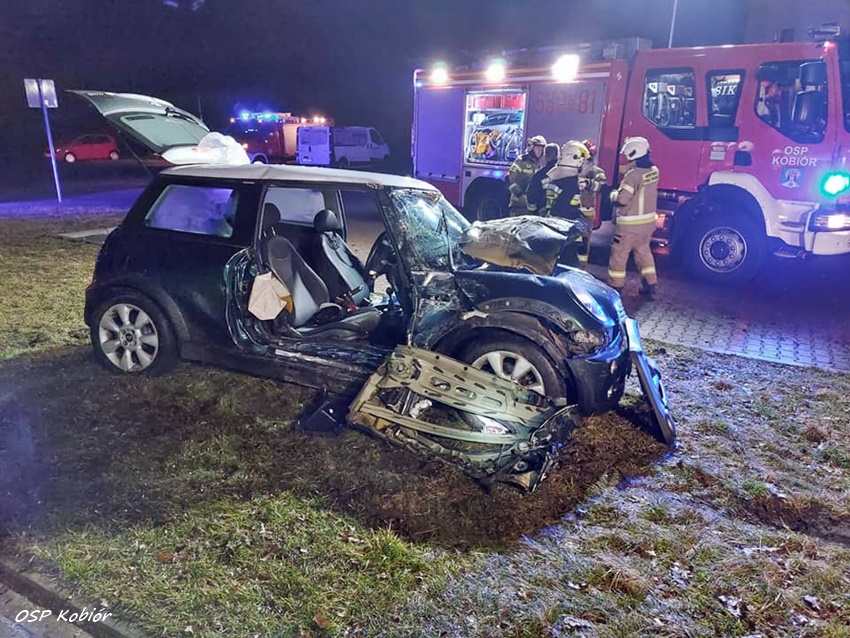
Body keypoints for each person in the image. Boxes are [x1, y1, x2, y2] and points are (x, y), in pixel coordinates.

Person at [607, 136, 660, 299]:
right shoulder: (654, 171)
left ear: (633, 154)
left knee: (619, 255)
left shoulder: (632, 176)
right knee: (644, 253)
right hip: (647, 224)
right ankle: (651, 285)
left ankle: (614, 288)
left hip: (629, 225)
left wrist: (613, 194)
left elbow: (622, 199)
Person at [542, 140, 592, 266]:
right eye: (583, 160)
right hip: (566, 228)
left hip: (551, 223)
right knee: (567, 262)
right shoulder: (571, 182)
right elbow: (566, 208)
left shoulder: (554, 175)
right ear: (576, 159)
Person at [576, 138, 607, 266]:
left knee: (584, 242)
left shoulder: (597, 172)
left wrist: (588, 183)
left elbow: (600, 186)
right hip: (573, 211)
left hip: (586, 213)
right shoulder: (574, 169)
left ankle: (582, 267)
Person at [507, 135, 546, 216]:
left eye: (542, 149)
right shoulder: (521, 161)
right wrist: (520, 195)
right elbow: (509, 179)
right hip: (518, 205)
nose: (540, 151)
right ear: (531, 148)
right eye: (538, 148)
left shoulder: (538, 164)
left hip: (531, 206)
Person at [526, 142, 560, 215]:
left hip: (544, 215)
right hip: (562, 216)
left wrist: (533, 212)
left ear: (545, 156)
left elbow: (531, 196)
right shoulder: (567, 174)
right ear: (558, 156)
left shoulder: (540, 175)